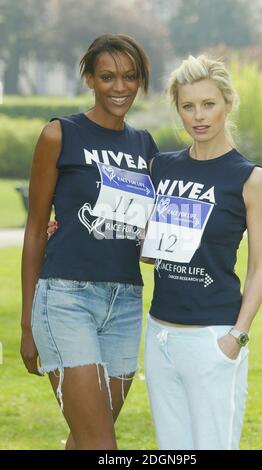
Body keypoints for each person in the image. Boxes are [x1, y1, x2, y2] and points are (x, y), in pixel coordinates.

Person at [20, 34, 158, 450]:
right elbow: (34, 230)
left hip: (126, 302)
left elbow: (146, 231)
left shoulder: (144, 146)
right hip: (66, 299)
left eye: (130, 77)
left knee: (84, 440)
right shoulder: (60, 134)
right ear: (90, 79)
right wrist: (27, 323)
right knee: (102, 445)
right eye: (108, 77)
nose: (120, 87)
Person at [142, 54, 262, 450]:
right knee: (173, 450)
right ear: (178, 110)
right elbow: (146, 246)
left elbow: (259, 268)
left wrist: (238, 336)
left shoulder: (250, 178)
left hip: (212, 337)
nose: (198, 116)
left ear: (227, 104)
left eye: (208, 104)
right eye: (187, 106)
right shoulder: (161, 168)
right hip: (160, 334)